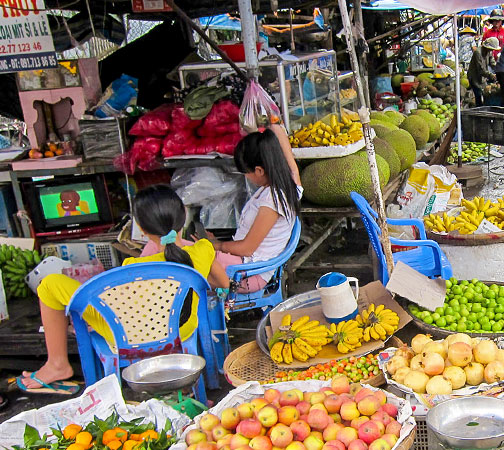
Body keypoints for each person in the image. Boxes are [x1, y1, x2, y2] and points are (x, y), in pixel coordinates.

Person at [18, 185, 226, 393]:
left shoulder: (131, 269)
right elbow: (223, 283)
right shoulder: (203, 250)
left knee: (49, 284)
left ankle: (57, 364)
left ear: (141, 229)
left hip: (124, 335)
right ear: (184, 217)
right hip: (181, 330)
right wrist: (194, 274)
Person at [200, 129, 303, 292]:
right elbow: (292, 165)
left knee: (183, 260)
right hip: (242, 263)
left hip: (249, 274)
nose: (246, 177)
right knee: (181, 252)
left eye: (246, 173)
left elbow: (246, 249)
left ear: (260, 170)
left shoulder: (272, 200)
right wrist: (275, 126)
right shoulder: (291, 185)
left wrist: (216, 245)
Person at [468, 37, 500, 107]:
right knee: (478, 95)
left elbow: (492, 62)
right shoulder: (478, 53)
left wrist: (498, 69)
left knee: (484, 93)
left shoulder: (489, 52)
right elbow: (481, 70)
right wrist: (492, 75)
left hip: (482, 77)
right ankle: (479, 109)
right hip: (474, 76)